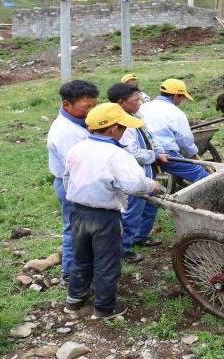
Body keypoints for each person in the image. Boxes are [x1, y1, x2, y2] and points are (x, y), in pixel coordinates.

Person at [63, 103, 163, 319]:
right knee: (107, 261)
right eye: (123, 127)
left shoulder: (77, 149)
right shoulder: (117, 155)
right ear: (113, 129)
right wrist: (152, 185)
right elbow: (134, 185)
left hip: (78, 213)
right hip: (104, 216)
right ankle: (104, 308)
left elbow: (66, 178)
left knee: (82, 257)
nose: (125, 131)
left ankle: (75, 298)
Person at [46, 80, 98, 285]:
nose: (92, 111)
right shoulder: (65, 132)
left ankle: (83, 266)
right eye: (87, 107)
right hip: (73, 185)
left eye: (95, 105)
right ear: (66, 104)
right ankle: (70, 273)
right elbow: (77, 169)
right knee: (74, 229)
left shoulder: (80, 121)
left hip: (82, 181)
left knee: (83, 228)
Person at [108, 83, 167, 264]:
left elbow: (150, 136)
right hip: (134, 173)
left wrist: (159, 150)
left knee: (150, 205)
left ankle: (141, 236)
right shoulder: (121, 126)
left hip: (148, 169)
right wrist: (155, 155)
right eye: (135, 100)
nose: (140, 102)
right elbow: (131, 152)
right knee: (133, 211)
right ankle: (123, 249)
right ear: (121, 102)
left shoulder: (135, 115)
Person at [140, 78, 208, 182]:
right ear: (176, 96)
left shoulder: (143, 107)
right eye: (182, 98)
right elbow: (185, 140)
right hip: (165, 153)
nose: (181, 101)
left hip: (143, 150)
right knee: (199, 173)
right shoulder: (176, 113)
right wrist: (194, 154)